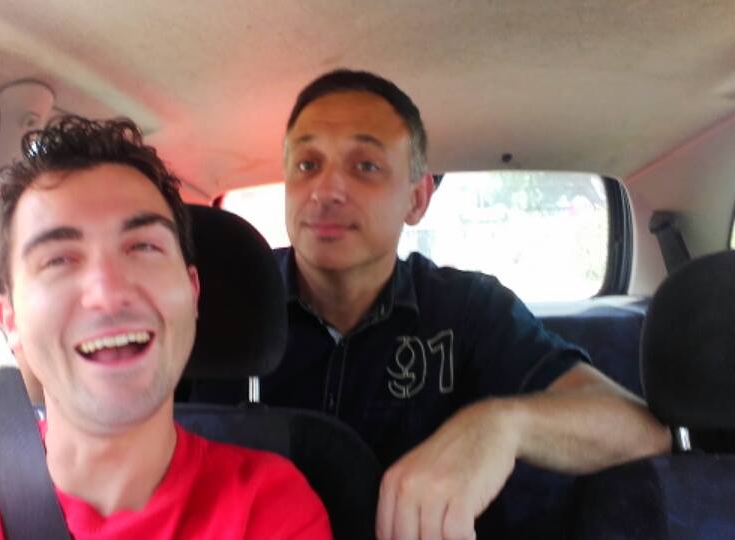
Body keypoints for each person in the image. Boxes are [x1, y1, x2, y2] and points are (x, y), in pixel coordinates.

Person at [0, 116, 331, 539]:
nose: (108, 292)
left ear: (192, 292)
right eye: (58, 259)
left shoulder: (269, 509)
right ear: (10, 321)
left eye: (143, 247)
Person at [240, 69, 669, 539]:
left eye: (365, 166)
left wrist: (503, 427)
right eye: (307, 164)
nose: (325, 191)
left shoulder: (466, 310)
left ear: (417, 199)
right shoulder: (223, 306)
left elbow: (640, 430)